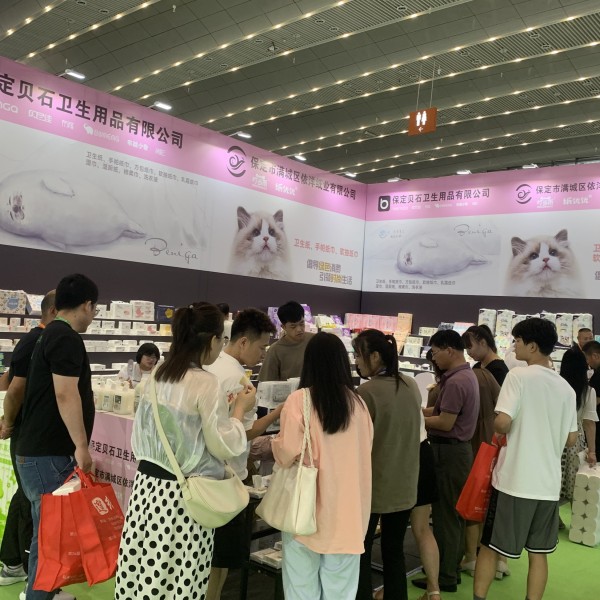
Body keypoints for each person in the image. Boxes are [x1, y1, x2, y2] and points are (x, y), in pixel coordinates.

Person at [114, 303, 255, 600]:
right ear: (212, 340)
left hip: (146, 490)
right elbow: (221, 443)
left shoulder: (158, 373)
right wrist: (240, 410)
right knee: (180, 578)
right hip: (183, 496)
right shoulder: (205, 383)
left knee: (144, 570)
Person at [473, 318, 578, 600]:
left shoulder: (518, 376)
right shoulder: (566, 389)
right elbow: (571, 439)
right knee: (539, 553)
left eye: (517, 341)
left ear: (532, 346)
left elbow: (503, 422)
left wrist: (499, 420)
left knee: (490, 546)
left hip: (514, 481)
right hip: (547, 485)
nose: (514, 346)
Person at [16, 274, 99, 600]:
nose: (93, 315)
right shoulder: (65, 338)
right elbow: (65, 394)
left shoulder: (49, 334)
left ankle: (40, 593)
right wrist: (81, 446)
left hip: (37, 453)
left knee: (47, 537)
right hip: (48, 456)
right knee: (50, 541)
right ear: (87, 305)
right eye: (94, 308)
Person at [272, 332, 373, 600]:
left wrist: (272, 443)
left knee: (301, 590)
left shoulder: (300, 400)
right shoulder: (359, 405)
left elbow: (287, 452)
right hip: (349, 515)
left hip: (305, 512)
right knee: (341, 592)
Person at [204, 308, 283, 600]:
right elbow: (245, 432)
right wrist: (279, 412)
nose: (263, 355)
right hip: (227, 478)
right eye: (261, 347)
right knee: (220, 560)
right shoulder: (240, 380)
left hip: (202, 473)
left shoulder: (209, 366)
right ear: (244, 342)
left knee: (205, 555)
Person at [352, 329, 422, 600]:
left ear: (375, 356)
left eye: (359, 355)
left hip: (373, 485)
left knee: (361, 549)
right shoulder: (410, 384)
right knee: (394, 551)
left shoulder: (365, 392)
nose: (356, 361)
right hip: (405, 483)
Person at [414, 329, 479, 594]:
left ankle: (444, 576)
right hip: (457, 452)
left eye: (435, 352)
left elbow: (445, 422)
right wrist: (418, 411)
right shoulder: (465, 375)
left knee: (446, 516)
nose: (434, 358)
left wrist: (416, 420)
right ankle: (448, 569)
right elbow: (442, 411)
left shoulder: (455, 381)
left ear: (449, 350)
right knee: (452, 515)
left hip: (449, 454)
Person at [0, 292, 56, 589]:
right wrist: (9, 422)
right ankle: (23, 568)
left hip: (30, 434)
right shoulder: (38, 341)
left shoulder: (33, 340)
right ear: (55, 310)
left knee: (27, 497)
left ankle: (13, 563)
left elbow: (8, 381)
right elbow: (13, 389)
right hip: (31, 436)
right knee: (31, 502)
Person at [560, 349, 597, 504]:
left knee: (554, 480)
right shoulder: (588, 392)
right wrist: (592, 451)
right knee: (574, 482)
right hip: (575, 439)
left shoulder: (557, 387)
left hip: (555, 437)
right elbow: (589, 424)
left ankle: (553, 513)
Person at [258, 301, 314, 382]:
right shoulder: (275, 350)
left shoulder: (314, 341)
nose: (299, 329)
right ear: (283, 327)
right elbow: (266, 382)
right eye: (293, 326)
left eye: (302, 324)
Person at [582, 340, 600, 455]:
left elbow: (595, 400)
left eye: (587, 359)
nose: (587, 363)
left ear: (595, 356)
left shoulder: (598, 375)